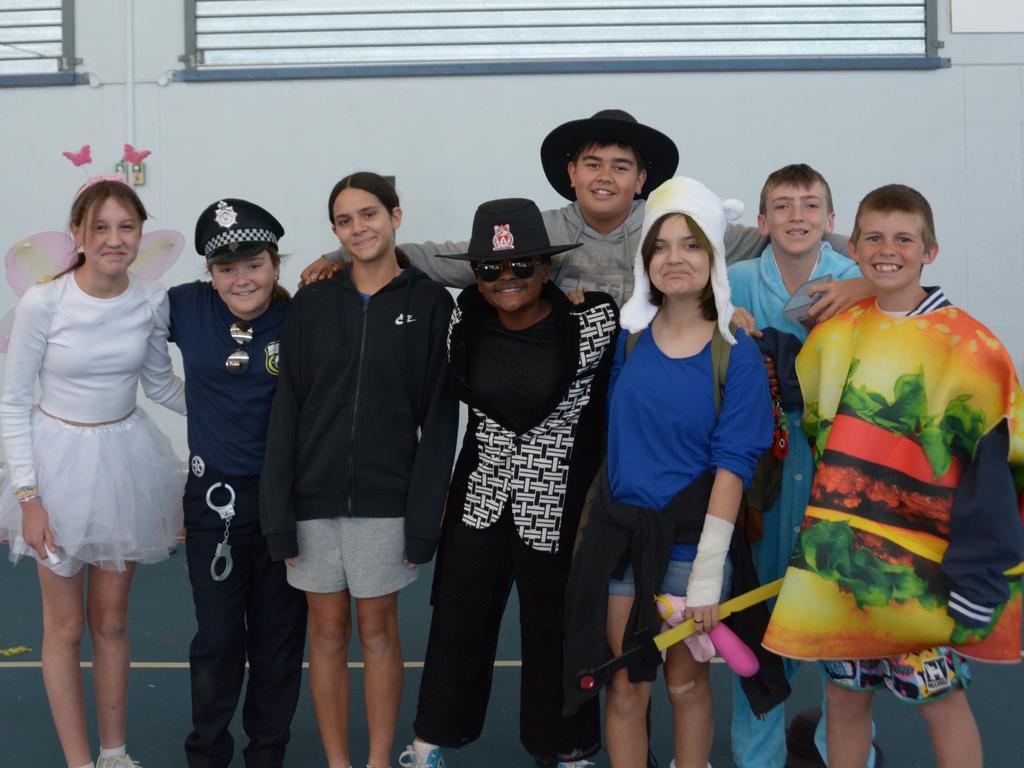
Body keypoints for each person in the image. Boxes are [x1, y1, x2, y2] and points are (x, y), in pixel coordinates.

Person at [763, 184, 1024, 768]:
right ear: (852, 246)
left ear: (930, 250)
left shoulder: (972, 348)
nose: (888, 250)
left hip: (923, 576)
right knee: (842, 701)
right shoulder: (835, 331)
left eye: (904, 238)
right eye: (874, 238)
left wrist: (978, 575)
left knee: (942, 704)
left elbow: (996, 476)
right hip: (840, 571)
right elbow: (810, 410)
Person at [563, 176, 775, 768]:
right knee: (627, 688)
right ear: (645, 259)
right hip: (620, 545)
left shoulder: (737, 353)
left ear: (712, 256)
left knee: (684, 685)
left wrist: (707, 576)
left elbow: (732, 469)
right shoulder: (626, 344)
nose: (674, 259)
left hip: (688, 552)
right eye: (661, 246)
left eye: (691, 245)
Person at [398, 199, 617, 768]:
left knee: (557, 632)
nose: (506, 278)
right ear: (475, 275)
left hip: (560, 506)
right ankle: (430, 741)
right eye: (490, 268)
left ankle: (565, 747)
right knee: (456, 621)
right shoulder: (462, 319)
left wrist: (732, 314)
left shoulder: (595, 320)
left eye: (522, 265)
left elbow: (677, 304)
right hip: (482, 496)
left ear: (547, 268)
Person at [259, 172, 459, 768]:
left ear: (396, 216)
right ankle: (339, 762)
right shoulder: (315, 302)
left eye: (368, 214)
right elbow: (287, 410)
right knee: (324, 634)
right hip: (311, 499)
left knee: (377, 632)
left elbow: (439, 421)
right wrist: (278, 514)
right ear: (334, 232)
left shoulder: (429, 302)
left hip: (386, 502)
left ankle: (377, 760)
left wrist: (424, 519)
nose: (358, 229)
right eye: (344, 221)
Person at [0, 179, 186, 768]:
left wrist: (244, 398)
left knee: (110, 621)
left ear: (139, 233)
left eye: (125, 227)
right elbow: (11, 403)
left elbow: (159, 384)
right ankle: (79, 762)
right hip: (54, 469)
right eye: (100, 228)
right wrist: (29, 497)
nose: (113, 239)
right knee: (66, 627)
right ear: (77, 234)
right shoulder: (45, 302)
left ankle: (115, 755)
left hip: (124, 463)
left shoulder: (152, 299)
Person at [299, 109, 854, 303]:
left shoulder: (681, 230)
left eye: (620, 166)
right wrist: (342, 255)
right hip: (564, 411)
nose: (605, 177)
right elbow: (443, 257)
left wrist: (867, 272)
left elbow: (791, 236)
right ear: (571, 175)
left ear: (642, 180)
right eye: (592, 164)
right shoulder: (536, 232)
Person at [726, 164, 876, 768]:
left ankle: (842, 753)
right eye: (782, 206)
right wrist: (722, 320)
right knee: (763, 620)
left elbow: (909, 290)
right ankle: (757, 758)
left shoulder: (858, 276)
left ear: (832, 222)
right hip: (763, 461)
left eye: (810, 205)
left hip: (840, 463)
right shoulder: (734, 280)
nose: (797, 216)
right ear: (762, 223)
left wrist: (864, 287)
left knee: (842, 623)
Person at [169, 199, 307, 768]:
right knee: (218, 640)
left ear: (275, 264)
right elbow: (108, 314)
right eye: (226, 268)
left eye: (253, 264)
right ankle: (207, 753)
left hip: (286, 503)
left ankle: (267, 753)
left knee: (277, 642)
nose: (241, 278)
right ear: (209, 274)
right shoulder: (182, 306)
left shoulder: (305, 314)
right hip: (212, 502)